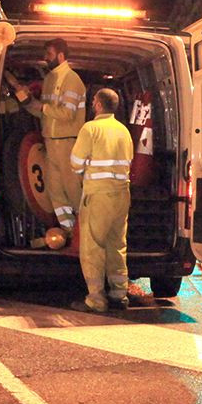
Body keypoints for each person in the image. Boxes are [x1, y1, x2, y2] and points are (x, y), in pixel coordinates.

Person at [70, 88, 135, 312]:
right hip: (122, 195)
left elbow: (76, 162)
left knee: (93, 247)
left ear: (97, 104)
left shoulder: (91, 129)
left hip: (98, 196)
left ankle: (96, 299)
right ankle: (119, 294)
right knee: (117, 245)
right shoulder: (124, 131)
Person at [15, 38, 86, 233]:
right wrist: (29, 103)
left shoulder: (72, 80)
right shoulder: (49, 80)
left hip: (67, 143)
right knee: (55, 192)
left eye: (50, 54)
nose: (46, 58)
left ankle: (85, 230)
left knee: (73, 190)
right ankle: (69, 232)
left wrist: (40, 106)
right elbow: (43, 112)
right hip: (51, 143)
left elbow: (67, 114)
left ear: (61, 55)